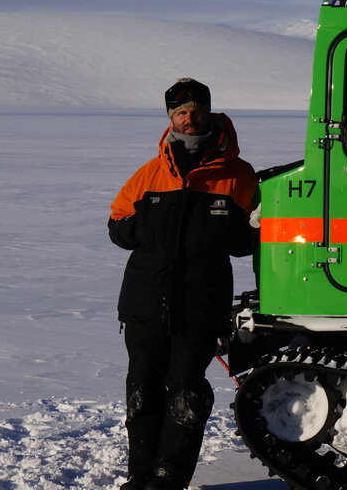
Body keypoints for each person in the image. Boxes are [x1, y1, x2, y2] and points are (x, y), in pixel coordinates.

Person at [108, 78, 258, 490]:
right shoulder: (151, 173)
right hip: (145, 302)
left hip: (200, 306)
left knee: (187, 393)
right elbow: (117, 225)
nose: (189, 119)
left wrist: (254, 227)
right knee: (142, 390)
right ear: (171, 118)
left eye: (195, 111)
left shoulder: (237, 175)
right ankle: (140, 476)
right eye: (180, 113)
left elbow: (244, 245)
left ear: (208, 114)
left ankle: (168, 478)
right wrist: (146, 225)